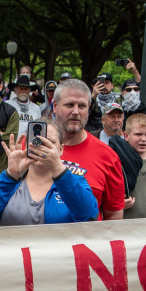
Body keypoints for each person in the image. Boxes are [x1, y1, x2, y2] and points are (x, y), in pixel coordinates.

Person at [0, 120, 98, 226]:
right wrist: (10, 175)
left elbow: (89, 216)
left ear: (60, 149)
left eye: (50, 142)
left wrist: (59, 171)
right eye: (36, 141)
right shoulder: (10, 181)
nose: (42, 147)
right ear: (25, 145)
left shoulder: (75, 181)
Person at [52, 79, 125, 220]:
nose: (75, 112)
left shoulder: (108, 157)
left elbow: (114, 215)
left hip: (86, 241)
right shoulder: (31, 147)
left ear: (89, 108)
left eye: (82, 106)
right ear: (55, 106)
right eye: (69, 105)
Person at [120, 79, 146, 158]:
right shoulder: (118, 115)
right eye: (129, 89)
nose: (133, 92)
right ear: (122, 93)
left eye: (136, 89)